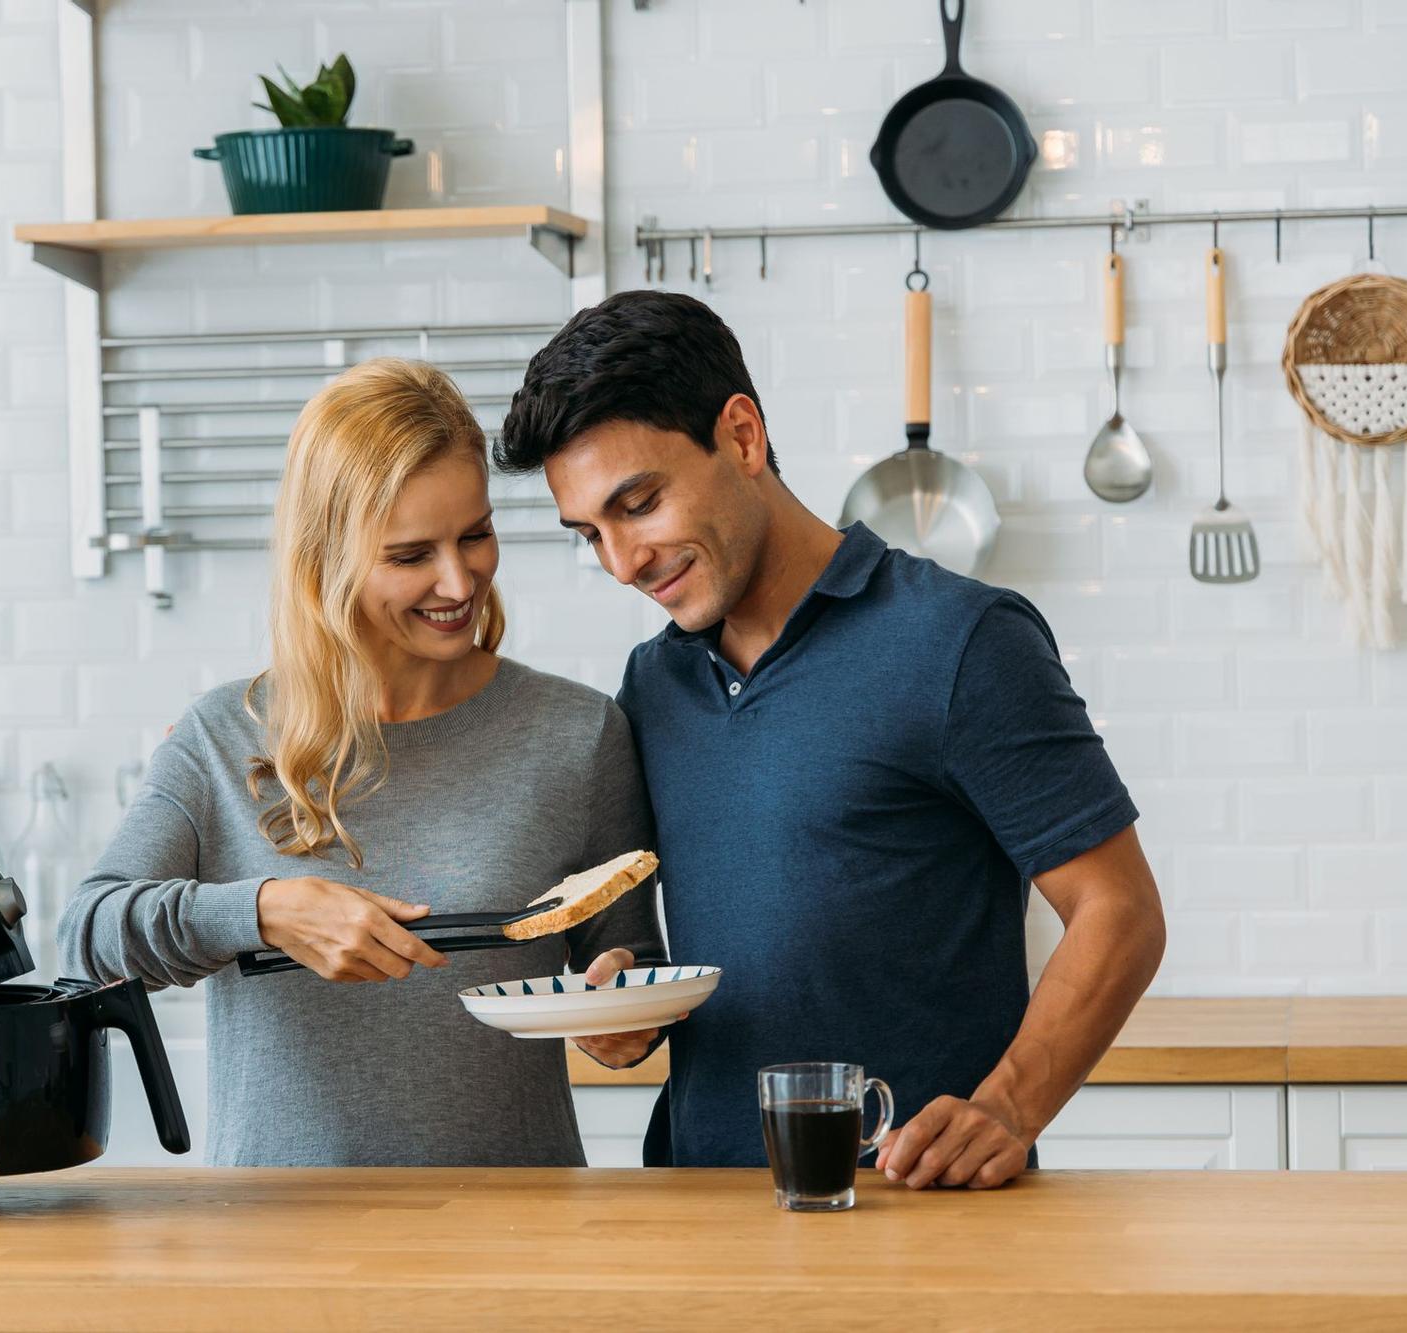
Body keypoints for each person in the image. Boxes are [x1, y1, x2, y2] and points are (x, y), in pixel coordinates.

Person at [495, 290, 1166, 1188]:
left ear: (741, 436)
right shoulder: (654, 684)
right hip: (700, 1207)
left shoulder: (961, 641)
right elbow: (678, 949)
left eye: (641, 504)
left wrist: (1008, 1106)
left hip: (917, 1208)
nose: (623, 562)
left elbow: (1118, 911)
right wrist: (627, 1000)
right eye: (591, 534)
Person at [60, 357, 667, 1167]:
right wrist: (265, 910)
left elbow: (633, 967)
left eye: (476, 535)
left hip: (519, 1245)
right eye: (412, 554)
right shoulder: (221, 737)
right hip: (281, 1252)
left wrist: (626, 1014)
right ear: (327, 560)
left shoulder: (577, 733)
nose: (460, 580)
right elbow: (87, 934)